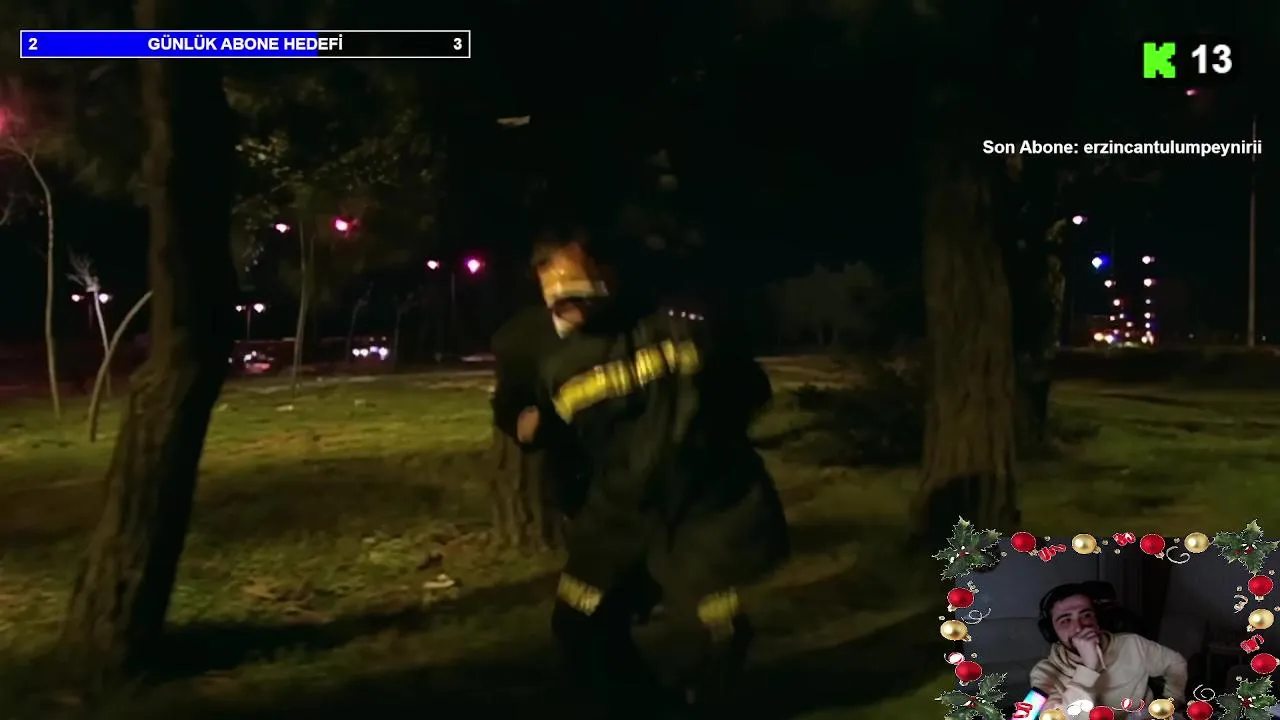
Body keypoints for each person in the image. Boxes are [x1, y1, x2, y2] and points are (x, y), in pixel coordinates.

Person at [527, 230, 789, 716]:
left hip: (702, 513)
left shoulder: (684, 331)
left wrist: (710, 445)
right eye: (553, 289)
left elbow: (747, 390)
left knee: (713, 628)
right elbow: (566, 452)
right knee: (578, 620)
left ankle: (704, 705)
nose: (564, 297)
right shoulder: (559, 367)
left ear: (607, 274)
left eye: (573, 283)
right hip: (617, 520)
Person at [1030, 583, 1187, 713]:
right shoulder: (1043, 673)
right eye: (1065, 620)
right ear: (1051, 632)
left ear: (1098, 620)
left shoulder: (1133, 644)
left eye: (1086, 615)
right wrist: (1088, 669)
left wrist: (1171, 701)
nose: (1079, 628)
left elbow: (1175, 663)